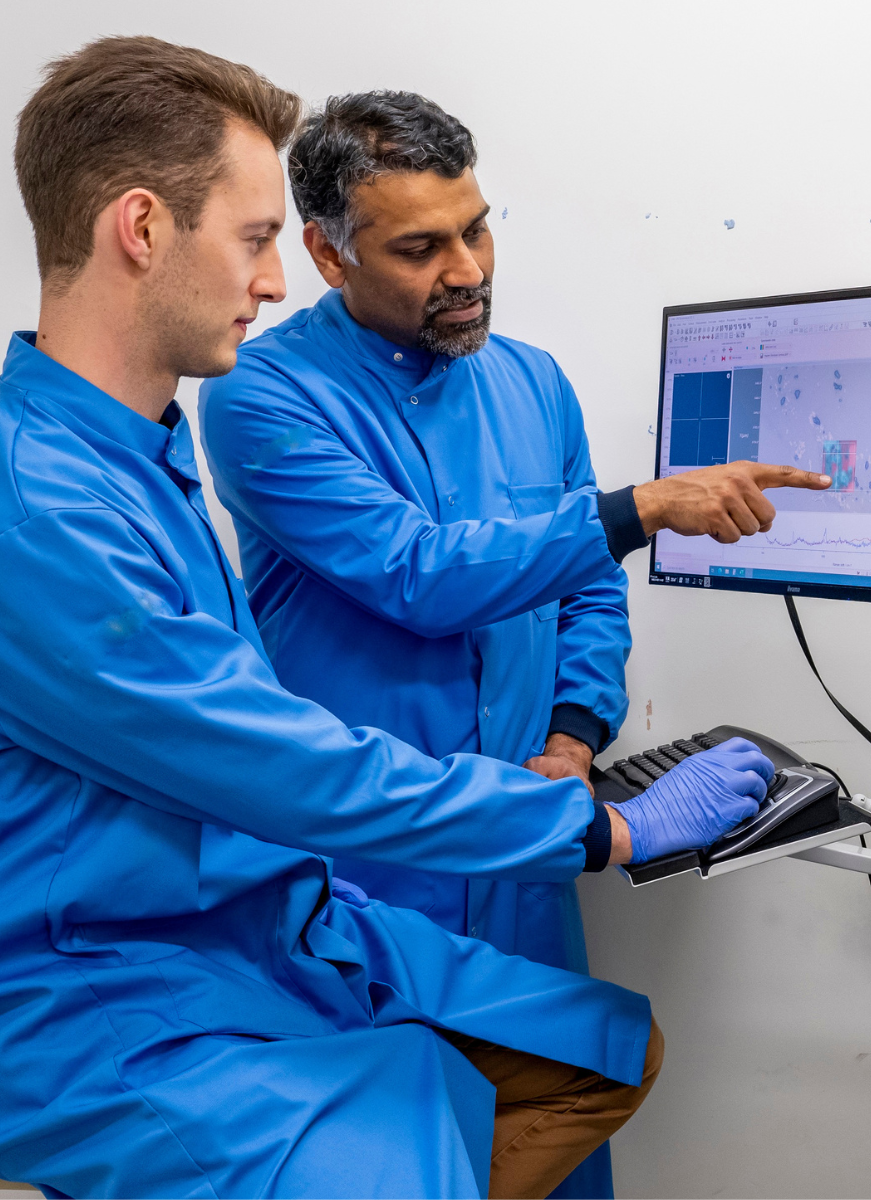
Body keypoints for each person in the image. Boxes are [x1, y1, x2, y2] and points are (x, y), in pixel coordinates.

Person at [0, 35, 774, 1199]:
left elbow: (579, 588)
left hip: (319, 886)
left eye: (475, 230)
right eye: (259, 243)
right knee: (413, 1139)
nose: (269, 283)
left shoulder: (139, 455)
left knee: (605, 1047)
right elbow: (393, 605)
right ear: (144, 228)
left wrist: (574, 736)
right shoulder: (63, 492)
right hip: (140, 968)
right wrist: (605, 831)